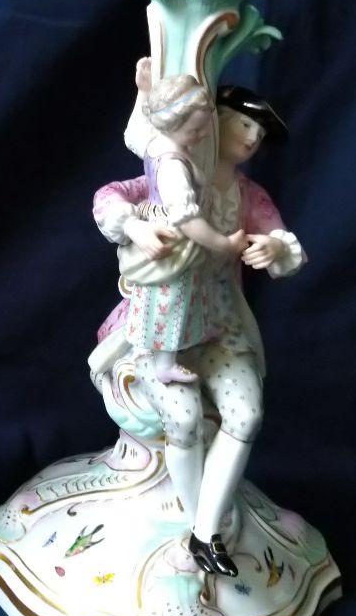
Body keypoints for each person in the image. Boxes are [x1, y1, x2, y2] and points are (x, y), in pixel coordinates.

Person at [92, 74, 305, 576]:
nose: (251, 137)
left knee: (246, 415)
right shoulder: (174, 169)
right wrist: (135, 225)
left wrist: (274, 248)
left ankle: (205, 529)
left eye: (259, 133)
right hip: (164, 327)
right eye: (243, 124)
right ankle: (197, 523)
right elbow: (109, 196)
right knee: (182, 419)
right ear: (212, 122)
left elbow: (282, 240)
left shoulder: (247, 196)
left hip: (220, 322)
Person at [117, 74, 247, 385]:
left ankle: (178, 345)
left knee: (174, 300)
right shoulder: (173, 166)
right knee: (172, 302)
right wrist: (224, 244)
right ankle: (164, 364)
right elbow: (187, 220)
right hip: (175, 241)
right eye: (195, 129)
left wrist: (143, 91)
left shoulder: (156, 142)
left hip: (166, 229)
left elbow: (133, 134)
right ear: (173, 123)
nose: (203, 134)